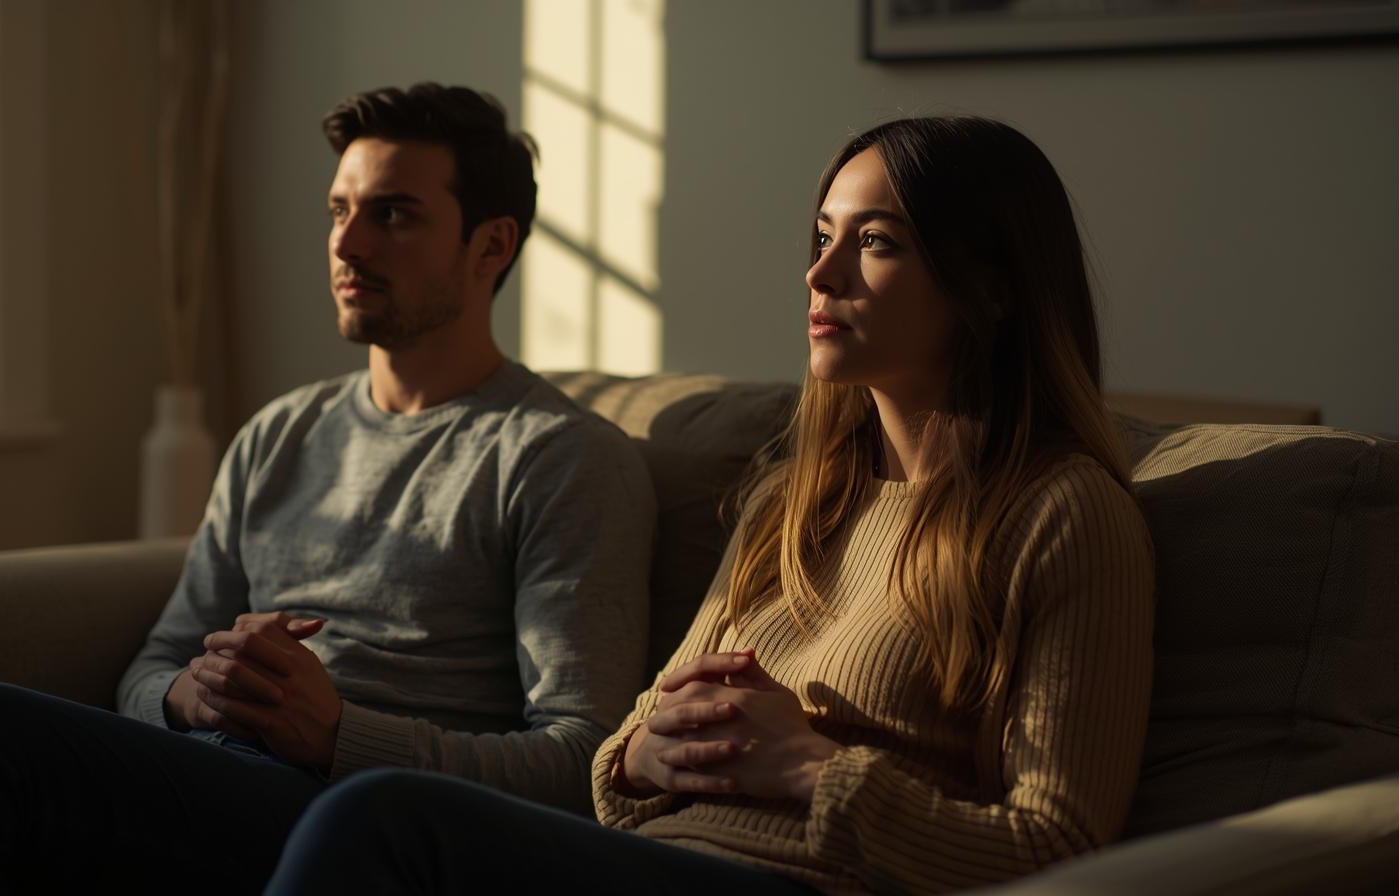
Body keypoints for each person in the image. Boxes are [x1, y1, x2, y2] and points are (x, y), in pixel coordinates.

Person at [257, 116, 1158, 896]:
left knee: (386, 820)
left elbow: (1061, 849)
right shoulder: (796, 502)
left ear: (993, 289)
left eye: (875, 242)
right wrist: (646, 756)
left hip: (806, 883)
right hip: (665, 861)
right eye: (821, 237)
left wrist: (813, 765)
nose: (821, 273)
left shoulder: (1063, 517)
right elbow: (617, 765)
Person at [0, 83, 655, 894]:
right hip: (210, 772)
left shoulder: (562, 459)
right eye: (339, 210)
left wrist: (339, 734)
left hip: (356, 815)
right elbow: (155, 661)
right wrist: (189, 697)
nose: (349, 245)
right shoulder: (278, 434)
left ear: (490, 247)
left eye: (394, 215)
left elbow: (583, 755)